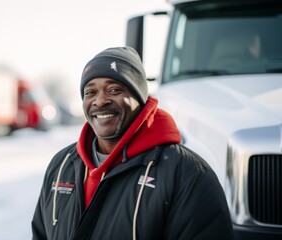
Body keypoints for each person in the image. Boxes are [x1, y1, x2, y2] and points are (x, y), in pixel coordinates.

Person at [31, 47, 235, 240]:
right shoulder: (61, 166)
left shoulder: (187, 173)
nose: (100, 101)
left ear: (139, 98)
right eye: (90, 92)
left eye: (114, 89)